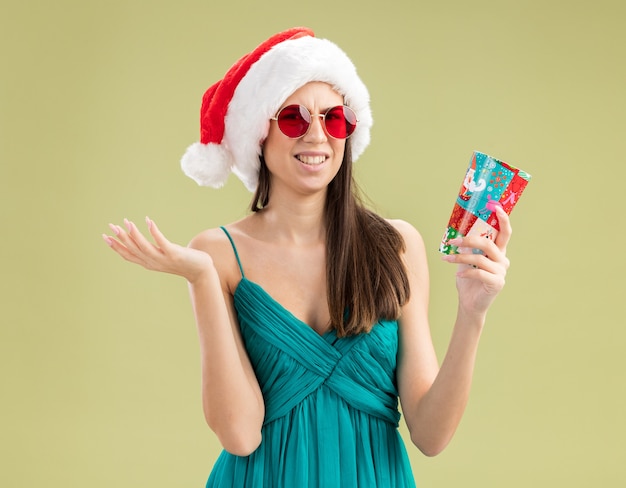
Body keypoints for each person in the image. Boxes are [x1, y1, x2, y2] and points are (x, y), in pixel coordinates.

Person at [102, 27, 512, 488]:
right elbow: (239, 434)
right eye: (294, 118)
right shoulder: (217, 254)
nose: (317, 134)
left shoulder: (397, 246)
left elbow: (432, 434)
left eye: (334, 118)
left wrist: (472, 313)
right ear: (260, 133)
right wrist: (200, 278)